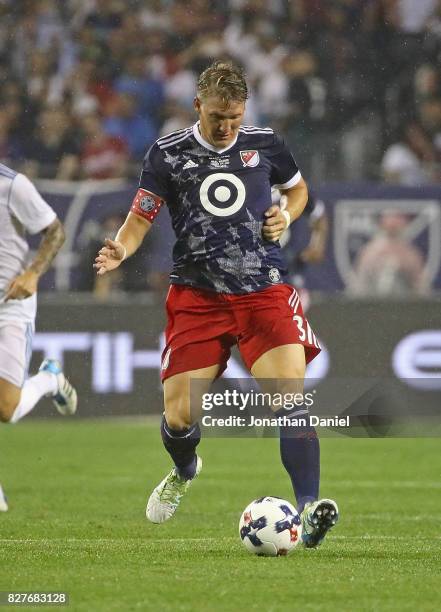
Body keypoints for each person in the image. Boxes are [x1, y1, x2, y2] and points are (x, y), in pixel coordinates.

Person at [94, 61, 338, 548]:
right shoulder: (167, 153)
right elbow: (141, 216)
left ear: (244, 110)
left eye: (234, 117)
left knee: (289, 397)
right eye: (216, 117)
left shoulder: (265, 144)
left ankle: (309, 510)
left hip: (262, 290)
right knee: (180, 416)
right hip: (197, 297)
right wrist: (122, 246)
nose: (226, 127)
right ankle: (185, 469)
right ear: (196, 107)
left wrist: (287, 215)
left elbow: (299, 190)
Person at [0, 163, 77, 512]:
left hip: (10, 304)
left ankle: (49, 379)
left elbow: (55, 232)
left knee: (7, 408)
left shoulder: (12, 186)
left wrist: (32, 274)